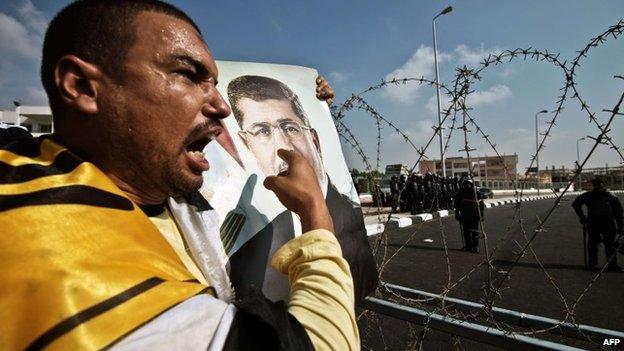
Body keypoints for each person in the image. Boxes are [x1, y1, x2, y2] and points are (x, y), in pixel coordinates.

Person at [0, 1, 359, 350]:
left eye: (214, 83)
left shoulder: (154, 179)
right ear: (82, 86)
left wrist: (311, 103)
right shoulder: (65, 261)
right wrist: (316, 214)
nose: (220, 107)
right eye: (188, 75)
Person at [226, 75, 378, 302]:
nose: (283, 145)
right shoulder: (253, 243)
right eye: (262, 131)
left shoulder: (349, 221)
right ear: (248, 145)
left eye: (290, 128)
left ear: (315, 141)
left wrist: (317, 104)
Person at [572, 177, 623, 272]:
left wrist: (620, 226)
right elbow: (575, 204)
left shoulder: (611, 196)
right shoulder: (588, 195)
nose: (597, 186)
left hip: (608, 224)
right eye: (594, 185)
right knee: (592, 244)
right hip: (593, 223)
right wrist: (582, 217)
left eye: (599, 184)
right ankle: (592, 264)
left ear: (603, 185)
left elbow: (618, 212)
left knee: (610, 245)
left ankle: (612, 265)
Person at [454, 179, 485, 253]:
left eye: (469, 184)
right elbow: (457, 204)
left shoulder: (476, 193)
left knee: (475, 231)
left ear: (471, 185)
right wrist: (457, 213)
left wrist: (482, 215)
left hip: (475, 215)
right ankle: (468, 246)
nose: (467, 185)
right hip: (464, 215)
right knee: (466, 232)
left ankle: (475, 246)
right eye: (466, 184)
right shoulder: (461, 193)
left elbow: (481, 205)